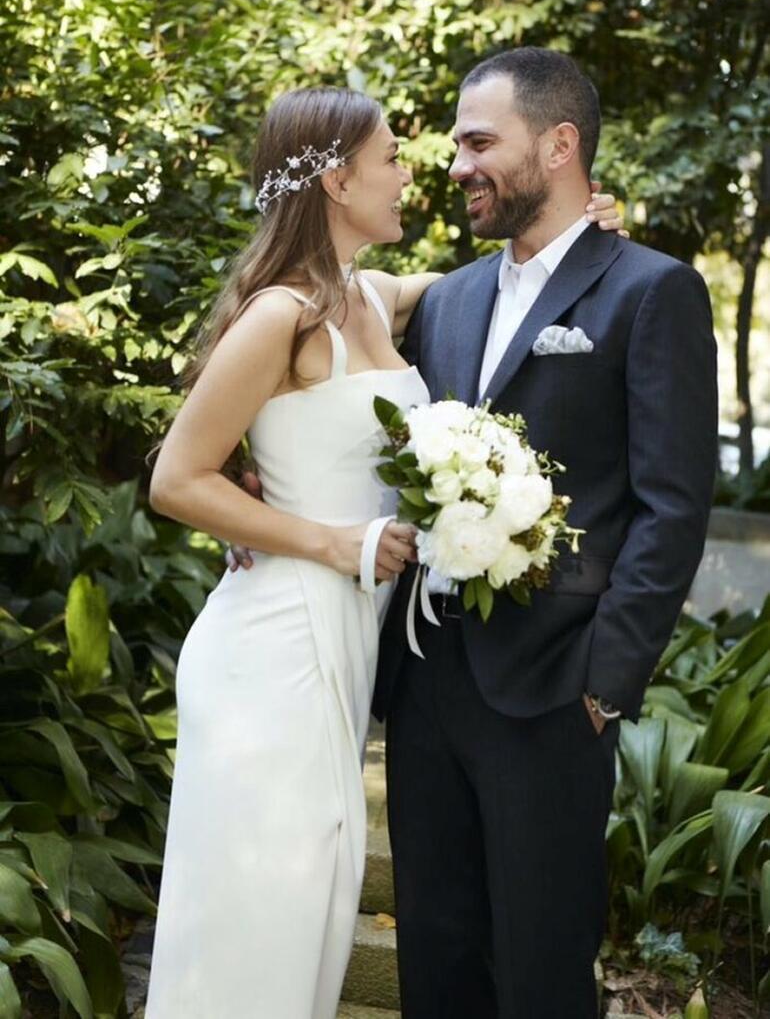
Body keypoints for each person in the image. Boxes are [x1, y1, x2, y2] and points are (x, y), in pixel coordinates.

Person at [143, 80, 625, 1018]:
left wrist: (584, 225)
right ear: (335, 181)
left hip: (343, 644)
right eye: (393, 158)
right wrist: (333, 540)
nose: (412, 176)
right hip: (273, 654)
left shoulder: (373, 296)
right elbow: (177, 478)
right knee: (260, 920)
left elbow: (508, 287)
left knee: (313, 924)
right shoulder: (282, 314)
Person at [372, 48, 719, 1019]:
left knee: (538, 972)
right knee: (434, 959)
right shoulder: (445, 300)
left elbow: (670, 506)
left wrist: (603, 686)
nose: (457, 166)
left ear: (559, 145)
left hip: (554, 693)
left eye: (479, 142)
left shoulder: (650, 290)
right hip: (425, 681)